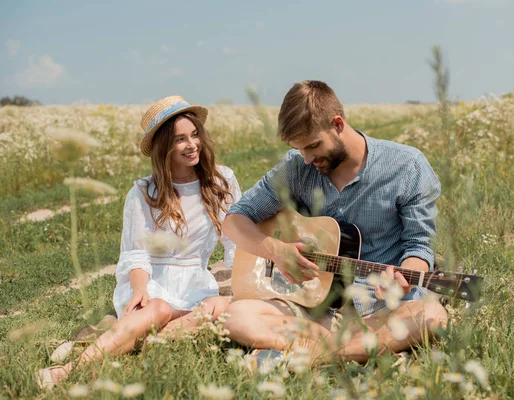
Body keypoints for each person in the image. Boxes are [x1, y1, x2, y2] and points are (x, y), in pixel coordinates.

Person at [223, 81, 447, 364]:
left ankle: (316, 353)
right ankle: (353, 350)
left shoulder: (407, 166)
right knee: (234, 315)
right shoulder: (296, 167)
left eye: (313, 146)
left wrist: (403, 278)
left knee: (432, 317)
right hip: (316, 311)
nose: (306, 159)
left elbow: (419, 245)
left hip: (384, 309)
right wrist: (276, 251)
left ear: (337, 124)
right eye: (299, 149)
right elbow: (234, 221)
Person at [36, 95, 241, 389]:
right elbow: (136, 254)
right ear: (164, 148)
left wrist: (244, 280)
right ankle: (65, 371)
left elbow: (236, 236)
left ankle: (111, 338)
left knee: (220, 306)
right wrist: (140, 289)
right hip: (153, 281)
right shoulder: (144, 192)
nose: (192, 144)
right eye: (180, 139)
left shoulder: (222, 180)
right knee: (156, 310)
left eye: (195, 134)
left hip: (195, 283)